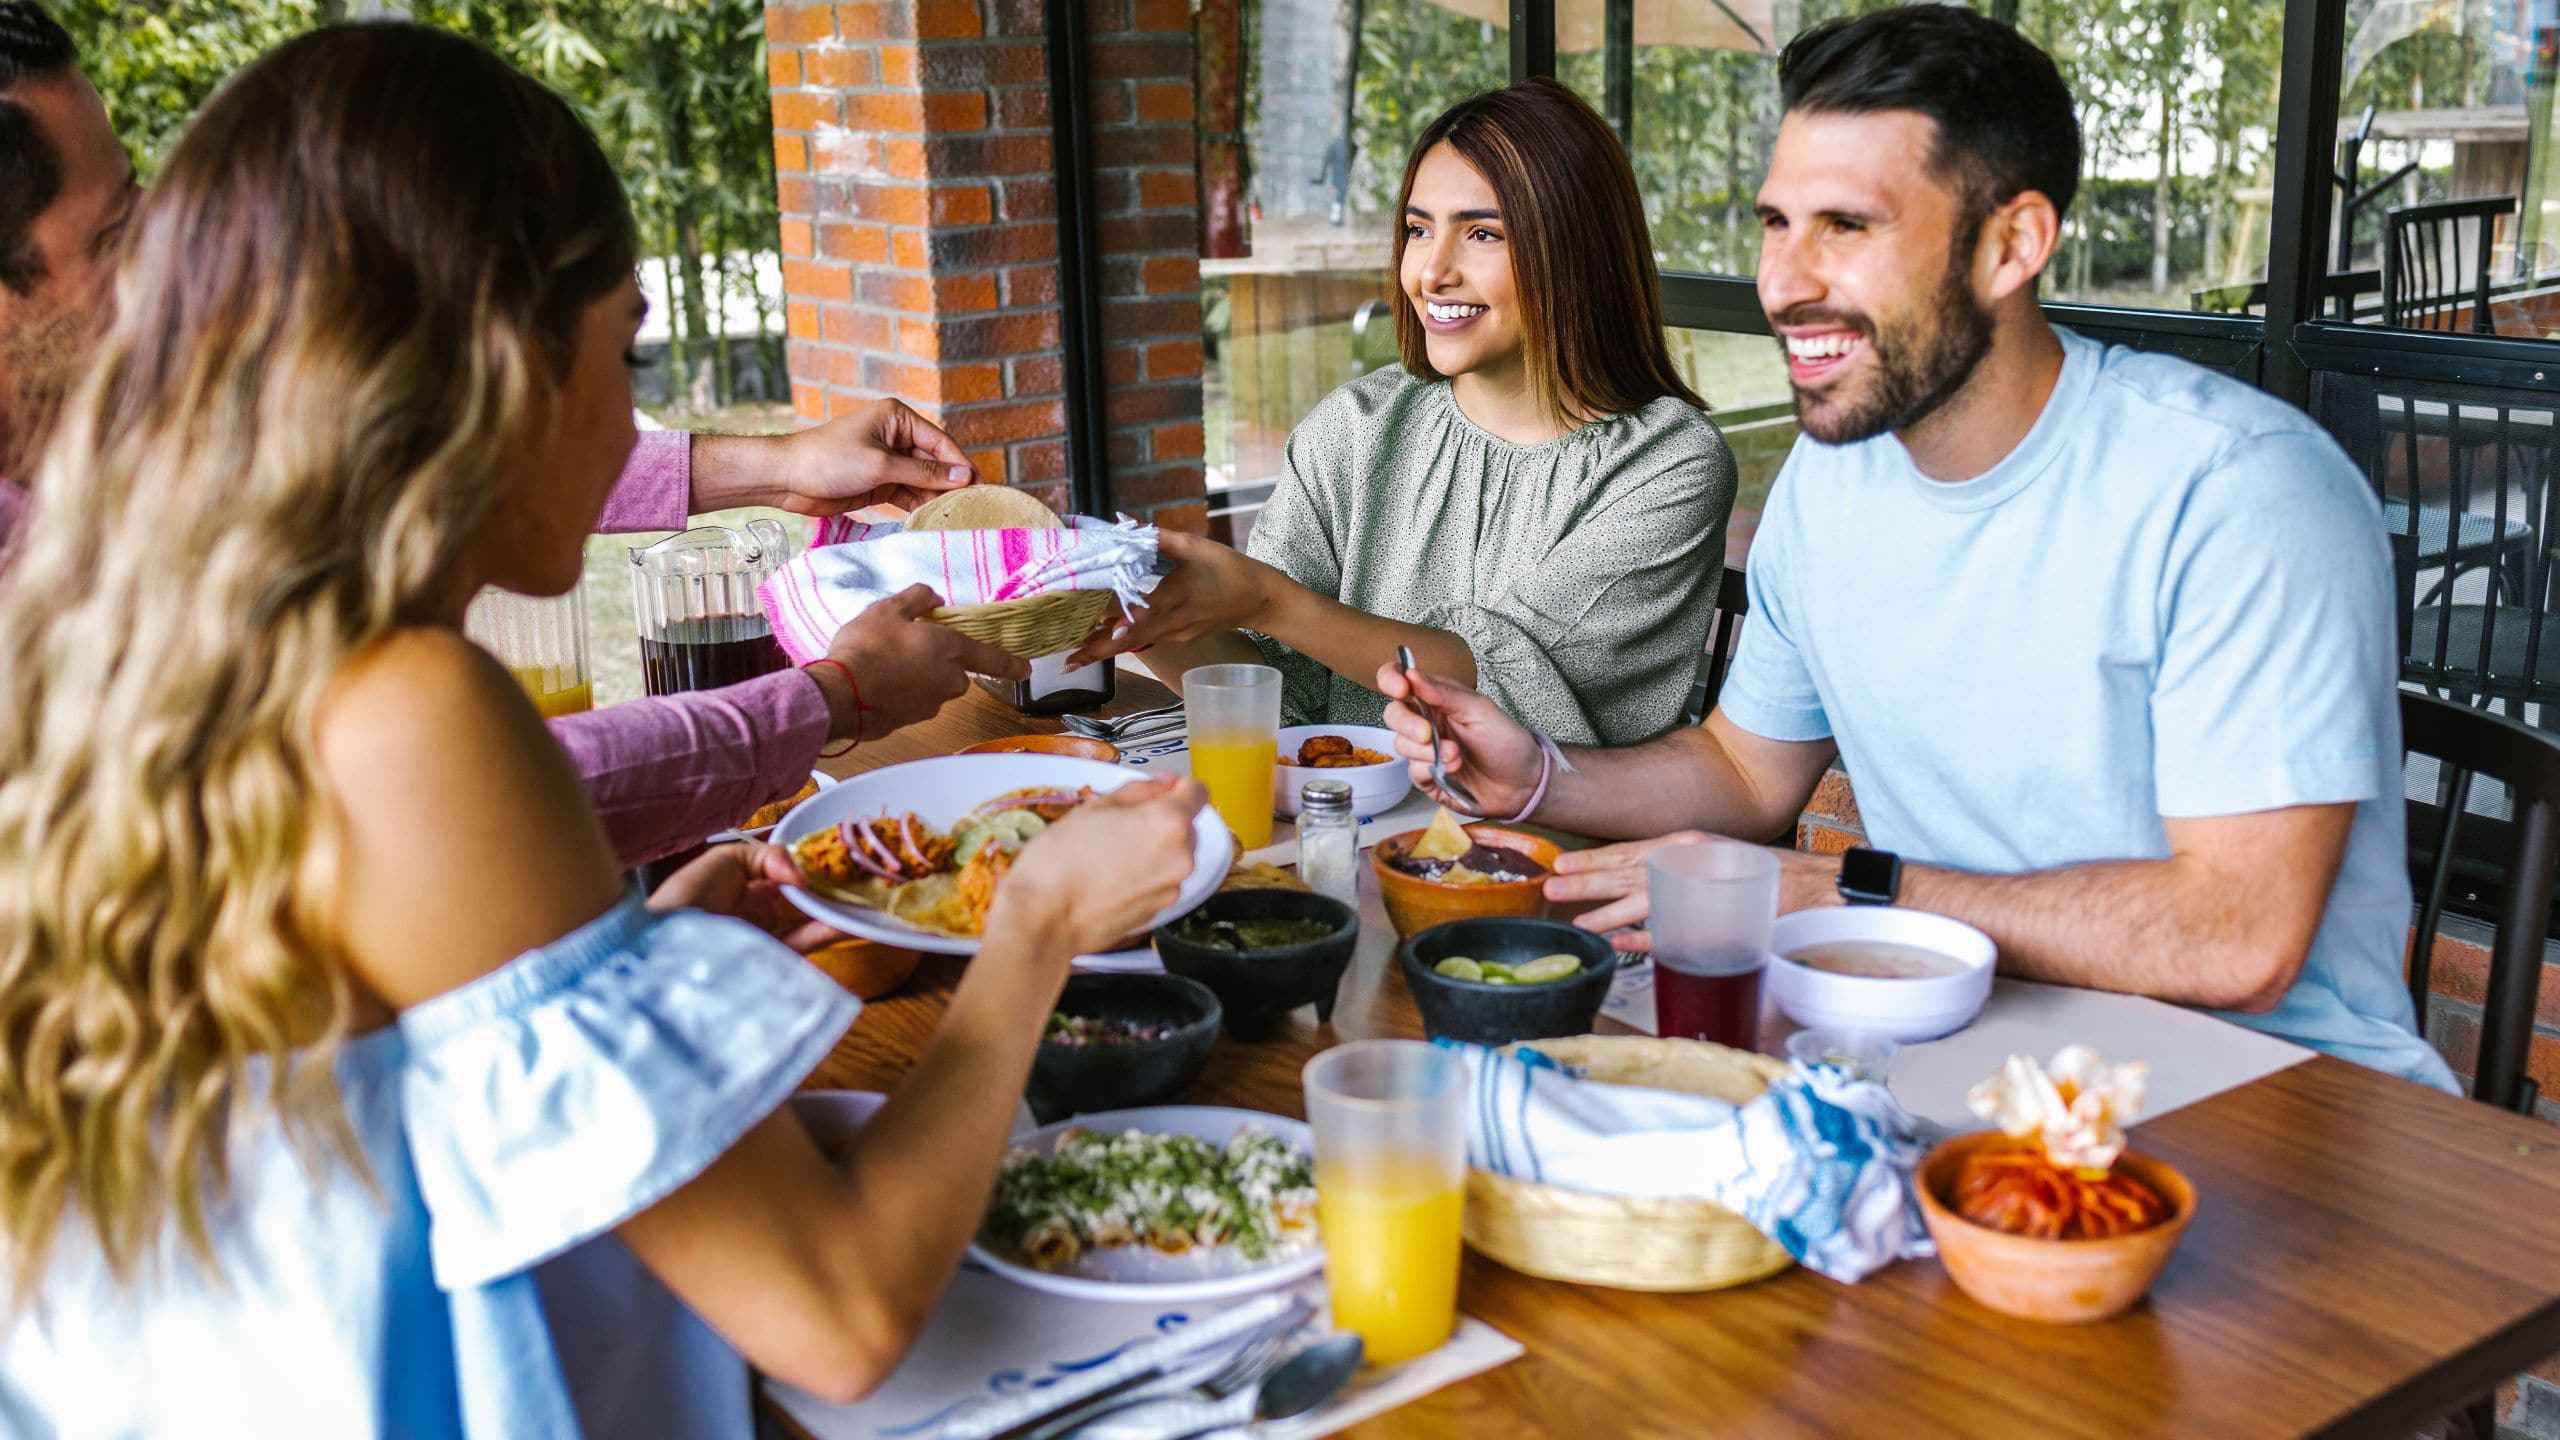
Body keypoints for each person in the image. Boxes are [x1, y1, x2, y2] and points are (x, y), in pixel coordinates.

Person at [0, 23, 1210, 1437]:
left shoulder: (161, 642)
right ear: (498, 367)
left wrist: (637, 969)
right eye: (624, 347)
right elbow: (838, 1311)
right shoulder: (402, 707)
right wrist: (1035, 929)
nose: (632, 421)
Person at [1380, 6, 2454, 1089]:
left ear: (2010, 244)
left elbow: (2237, 939)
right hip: (1956, 1051)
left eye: (1846, 226)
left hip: (2280, 1097)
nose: (1785, 282)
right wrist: (1538, 775)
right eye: (1774, 224)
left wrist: (1852, 892)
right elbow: (1745, 773)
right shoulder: (1832, 480)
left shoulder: (2239, 489)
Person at [0, 0, 1024, 868]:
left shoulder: (118, 463)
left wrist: (777, 469)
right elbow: (461, 808)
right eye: (115, 235)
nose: (159, 281)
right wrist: (831, 702)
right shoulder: (416, 706)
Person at [1073, 79, 1734, 747]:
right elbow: (1282, 695)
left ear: (1576, 251)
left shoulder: (1666, 464)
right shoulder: (1355, 430)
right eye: (1419, 229)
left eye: (1482, 233)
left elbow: (1514, 694)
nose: (1430, 272)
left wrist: (1266, 598)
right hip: (1361, 822)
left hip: (1562, 840)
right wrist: (1131, 612)